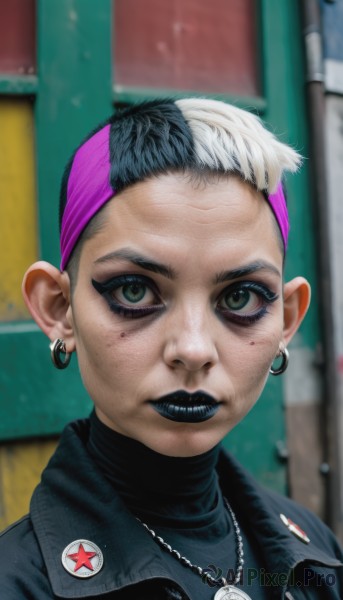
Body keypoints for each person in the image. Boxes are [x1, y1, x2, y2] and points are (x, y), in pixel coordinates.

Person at [1, 98, 342, 599]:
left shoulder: (315, 549)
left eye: (240, 297)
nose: (193, 348)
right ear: (58, 308)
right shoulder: (18, 585)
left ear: (287, 319)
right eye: (134, 291)